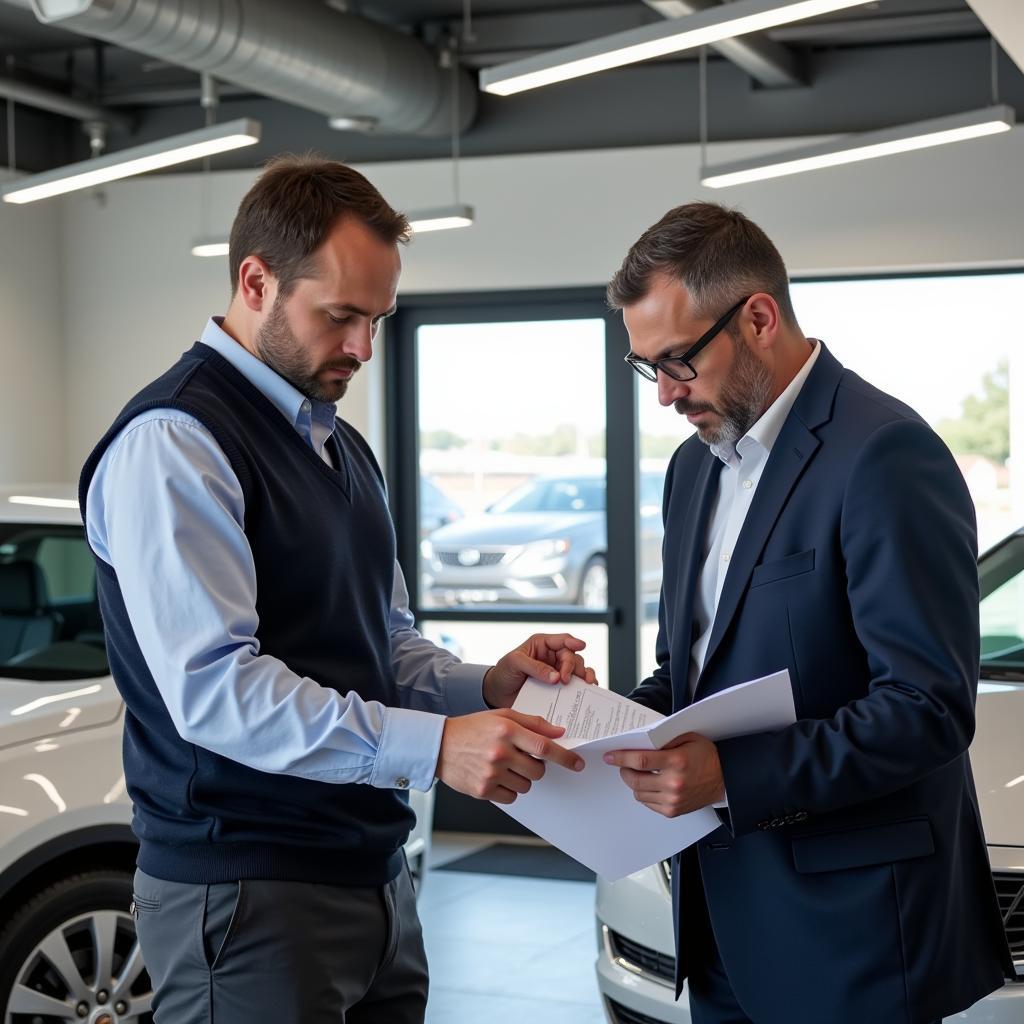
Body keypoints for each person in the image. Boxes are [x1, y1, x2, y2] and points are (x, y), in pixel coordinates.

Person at [79, 154, 594, 1024]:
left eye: (377, 320)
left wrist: (487, 685)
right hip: (246, 893)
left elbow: (381, 640)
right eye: (341, 316)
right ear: (255, 281)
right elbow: (218, 691)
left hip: (371, 874)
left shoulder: (341, 448)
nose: (361, 347)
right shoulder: (177, 441)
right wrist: (437, 748)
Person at [602, 202, 1013, 1024]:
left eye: (679, 362)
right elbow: (691, 673)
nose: (667, 397)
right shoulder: (693, 472)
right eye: (649, 368)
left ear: (758, 317)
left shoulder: (885, 453)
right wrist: (593, 723)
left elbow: (927, 709)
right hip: (717, 927)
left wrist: (735, 775)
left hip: (850, 937)